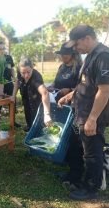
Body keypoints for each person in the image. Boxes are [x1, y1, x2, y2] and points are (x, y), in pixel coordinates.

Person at [58, 24, 109, 200]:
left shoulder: (104, 56)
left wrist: (92, 119)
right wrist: (71, 96)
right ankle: (75, 176)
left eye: (77, 44)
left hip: (92, 116)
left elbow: (104, 91)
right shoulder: (90, 55)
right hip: (81, 112)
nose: (75, 49)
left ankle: (91, 188)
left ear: (87, 39)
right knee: (76, 146)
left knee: (92, 152)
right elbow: (86, 83)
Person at [47, 42, 84, 190]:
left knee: (75, 142)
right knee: (65, 136)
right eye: (61, 54)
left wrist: (68, 90)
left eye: (66, 54)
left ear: (73, 54)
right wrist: (52, 87)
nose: (63, 56)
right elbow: (56, 82)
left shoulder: (79, 68)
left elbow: (83, 87)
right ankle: (69, 169)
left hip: (75, 107)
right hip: (62, 106)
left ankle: (77, 175)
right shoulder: (62, 67)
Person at [13, 58, 53, 132]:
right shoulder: (20, 71)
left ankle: (38, 130)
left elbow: (45, 93)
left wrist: (47, 114)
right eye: (23, 73)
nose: (26, 75)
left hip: (36, 100)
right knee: (27, 110)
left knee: (37, 117)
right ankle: (30, 126)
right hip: (25, 95)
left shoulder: (36, 77)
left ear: (32, 68)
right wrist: (13, 95)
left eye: (28, 72)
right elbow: (17, 81)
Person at [0, 41, 21, 128]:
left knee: (12, 102)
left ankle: (13, 122)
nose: (2, 50)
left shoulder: (8, 57)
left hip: (9, 83)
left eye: (3, 48)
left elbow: (11, 69)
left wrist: (14, 77)